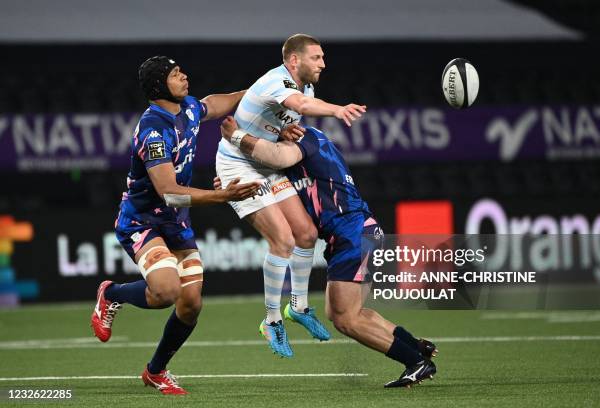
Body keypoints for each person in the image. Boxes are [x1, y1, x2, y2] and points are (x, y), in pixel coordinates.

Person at [217, 117, 438, 388]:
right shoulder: (291, 166)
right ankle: (415, 347)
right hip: (349, 235)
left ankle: (416, 363)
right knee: (341, 313)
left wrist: (237, 136)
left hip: (352, 233)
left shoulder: (305, 138)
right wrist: (234, 181)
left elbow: (274, 156)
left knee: (347, 319)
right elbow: (273, 186)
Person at [90, 56, 260, 395]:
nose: (184, 77)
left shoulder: (189, 109)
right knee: (167, 292)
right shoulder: (153, 130)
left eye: (181, 71)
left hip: (176, 223)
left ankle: (156, 371)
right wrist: (223, 196)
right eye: (175, 74)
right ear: (158, 86)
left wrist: (254, 92)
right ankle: (111, 294)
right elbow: (169, 193)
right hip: (143, 219)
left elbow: (214, 104)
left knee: (191, 303)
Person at [215, 33, 367, 357]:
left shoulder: (307, 86)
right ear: (294, 60)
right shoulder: (276, 81)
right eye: (317, 58)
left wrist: (282, 131)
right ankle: (271, 320)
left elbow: (284, 117)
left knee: (307, 234)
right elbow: (300, 105)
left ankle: (297, 307)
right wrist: (338, 110)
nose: (323, 64)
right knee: (282, 240)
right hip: (237, 164)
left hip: (265, 162)